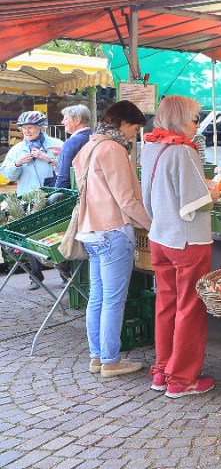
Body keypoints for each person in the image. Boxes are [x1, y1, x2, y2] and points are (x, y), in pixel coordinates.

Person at [141, 96, 219, 398]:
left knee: (167, 304)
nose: (197, 123)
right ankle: (182, 379)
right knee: (190, 307)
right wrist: (212, 192)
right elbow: (196, 202)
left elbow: (149, 194)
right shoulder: (183, 151)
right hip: (188, 239)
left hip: (160, 235)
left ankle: (162, 371)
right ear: (179, 119)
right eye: (194, 118)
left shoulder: (151, 145)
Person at [73, 101, 152, 378]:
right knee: (113, 301)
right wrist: (151, 226)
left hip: (91, 231)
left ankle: (97, 357)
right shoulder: (114, 149)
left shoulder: (88, 146)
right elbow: (126, 200)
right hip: (113, 231)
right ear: (122, 123)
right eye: (134, 128)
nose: (134, 135)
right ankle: (111, 361)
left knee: (97, 297)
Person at [0, 111, 64, 290]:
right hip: (27, 197)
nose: (26, 131)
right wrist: (17, 163)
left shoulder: (56, 145)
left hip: (52, 196)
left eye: (30, 127)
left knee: (56, 235)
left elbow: (68, 168)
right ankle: (35, 276)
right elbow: (6, 174)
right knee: (29, 237)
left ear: (41, 127)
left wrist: (49, 159)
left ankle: (64, 272)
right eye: (24, 128)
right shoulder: (17, 149)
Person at [55, 105, 93, 189]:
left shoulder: (72, 143)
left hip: (77, 193)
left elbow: (64, 177)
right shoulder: (94, 136)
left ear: (77, 120)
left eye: (65, 119)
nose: (62, 122)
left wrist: (55, 196)